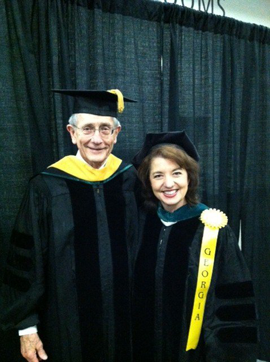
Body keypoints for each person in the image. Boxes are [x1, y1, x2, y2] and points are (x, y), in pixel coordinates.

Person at [0, 89, 138, 362]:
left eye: (105, 129)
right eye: (87, 128)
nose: (96, 139)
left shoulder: (130, 180)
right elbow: (25, 263)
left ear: (117, 133)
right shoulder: (46, 186)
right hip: (66, 321)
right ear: (72, 133)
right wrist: (26, 326)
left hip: (127, 317)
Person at [132, 131, 258, 362]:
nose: (168, 183)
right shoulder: (142, 224)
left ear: (189, 177)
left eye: (177, 173)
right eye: (158, 175)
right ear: (148, 182)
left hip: (194, 353)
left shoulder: (212, 229)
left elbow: (232, 303)